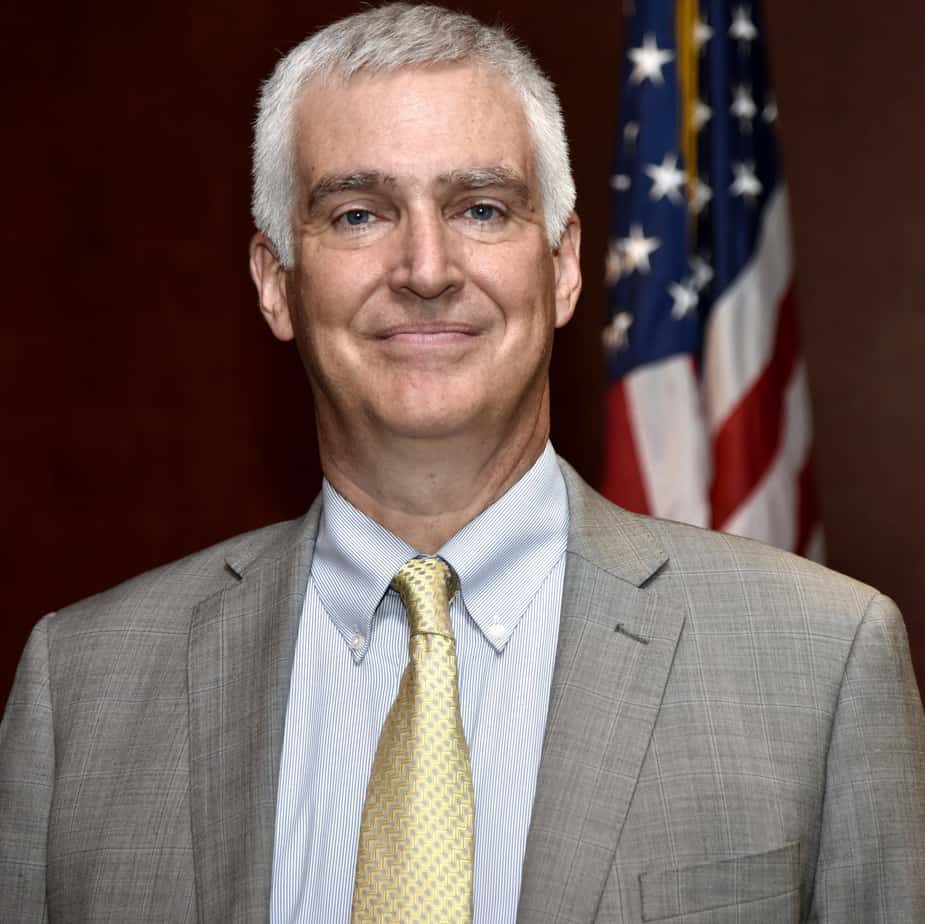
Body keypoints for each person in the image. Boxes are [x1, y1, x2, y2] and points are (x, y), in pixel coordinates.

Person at [2, 3, 923, 922]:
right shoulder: (78, 690)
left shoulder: (822, 661)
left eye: (480, 208)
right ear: (276, 282)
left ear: (563, 266)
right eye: (357, 214)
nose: (426, 268)